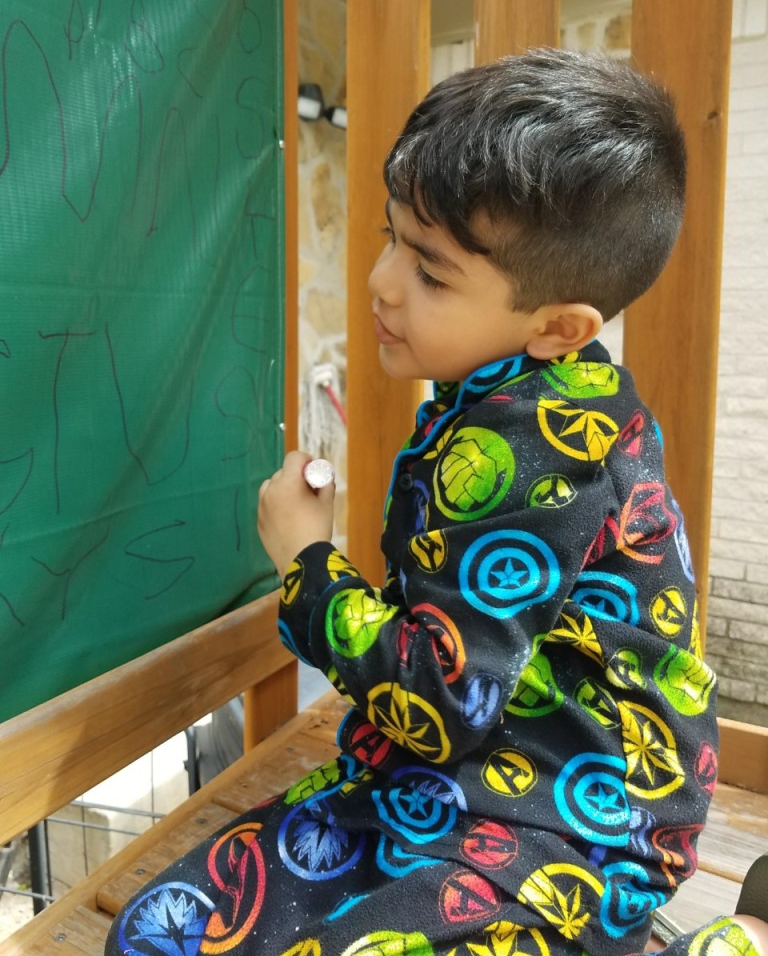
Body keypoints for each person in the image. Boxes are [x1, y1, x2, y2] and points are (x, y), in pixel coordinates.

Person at [104, 49, 767, 956]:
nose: (381, 281)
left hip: (576, 827)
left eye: (430, 271)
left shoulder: (543, 451)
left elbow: (444, 696)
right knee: (161, 935)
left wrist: (308, 566)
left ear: (558, 326)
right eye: (392, 237)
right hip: (453, 774)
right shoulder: (504, 398)